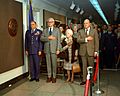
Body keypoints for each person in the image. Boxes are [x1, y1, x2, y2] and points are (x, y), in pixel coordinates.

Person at [77, 19, 99, 85]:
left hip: (91, 51)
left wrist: (96, 51)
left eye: (86, 23)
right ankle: (84, 80)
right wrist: (86, 39)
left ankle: (91, 81)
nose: (85, 24)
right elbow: (78, 40)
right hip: (83, 51)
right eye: (84, 23)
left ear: (89, 24)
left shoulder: (94, 31)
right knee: (84, 66)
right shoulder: (80, 31)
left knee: (91, 66)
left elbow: (96, 42)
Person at [40, 18, 61, 83]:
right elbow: (41, 38)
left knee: (54, 64)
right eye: (48, 22)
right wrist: (48, 38)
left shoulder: (57, 30)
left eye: (51, 22)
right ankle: (49, 76)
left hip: (54, 49)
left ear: (53, 23)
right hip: (47, 49)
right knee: (48, 64)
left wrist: (58, 49)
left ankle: (54, 77)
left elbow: (59, 40)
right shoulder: (45, 30)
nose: (49, 23)